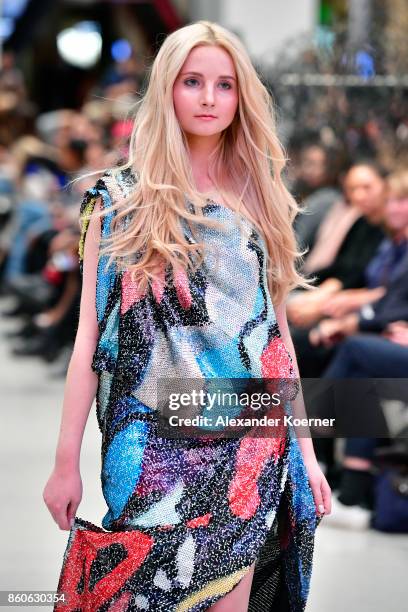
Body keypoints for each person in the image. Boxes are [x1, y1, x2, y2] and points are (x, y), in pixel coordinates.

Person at [42, 21, 331, 612]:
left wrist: (306, 454)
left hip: (247, 441)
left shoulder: (261, 198)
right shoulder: (119, 201)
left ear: (240, 97)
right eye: (192, 81)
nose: (207, 97)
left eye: (224, 85)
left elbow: (276, 342)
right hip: (148, 443)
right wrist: (63, 464)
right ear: (166, 89)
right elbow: (89, 342)